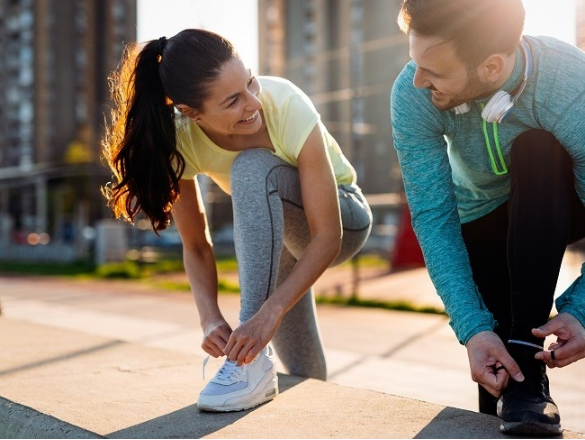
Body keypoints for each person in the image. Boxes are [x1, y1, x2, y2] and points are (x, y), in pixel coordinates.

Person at [102, 29, 372, 413]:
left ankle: (244, 365)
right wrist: (209, 318)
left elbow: (328, 236)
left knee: (251, 168)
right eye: (232, 101)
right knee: (302, 368)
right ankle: (305, 414)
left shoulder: (286, 104)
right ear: (191, 113)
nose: (253, 103)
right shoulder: (181, 141)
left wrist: (268, 312)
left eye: (249, 81)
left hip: (345, 220)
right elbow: (196, 244)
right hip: (278, 235)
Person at [391, 0, 585, 435]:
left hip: (565, 201)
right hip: (482, 215)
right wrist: (473, 328)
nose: (417, 81)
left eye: (433, 72)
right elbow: (433, 216)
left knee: (537, 149)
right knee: (501, 376)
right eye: (414, 62)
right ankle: (525, 387)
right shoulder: (412, 92)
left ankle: (522, 344)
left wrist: (583, 310)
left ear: (492, 66)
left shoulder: (571, 83)